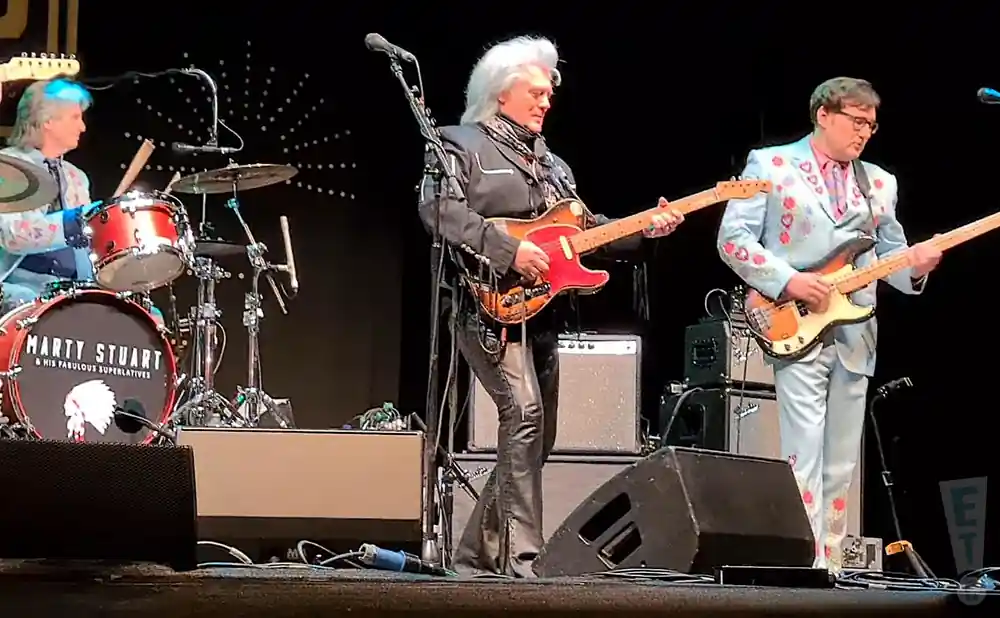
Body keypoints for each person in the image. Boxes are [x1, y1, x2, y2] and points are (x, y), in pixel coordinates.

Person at [418, 35, 683, 577]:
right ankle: (523, 558)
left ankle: (472, 555)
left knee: (540, 432)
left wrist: (646, 231)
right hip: (483, 304)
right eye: (535, 92)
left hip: (543, 312)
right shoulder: (458, 144)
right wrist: (511, 249)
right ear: (501, 93)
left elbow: (586, 231)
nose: (546, 102)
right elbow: (439, 211)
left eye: (549, 94)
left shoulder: (554, 165)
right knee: (525, 414)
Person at [716, 77, 941, 572]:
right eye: (855, 121)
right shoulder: (771, 165)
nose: (864, 133)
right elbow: (732, 240)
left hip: (856, 330)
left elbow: (891, 261)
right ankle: (803, 555)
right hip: (795, 323)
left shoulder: (880, 182)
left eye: (871, 125)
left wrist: (917, 266)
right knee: (803, 451)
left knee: (842, 459)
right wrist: (789, 281)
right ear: (823, 114)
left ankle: (831, 562)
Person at [0, 78, 96, 312]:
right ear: (48, 121)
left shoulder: (77, 178)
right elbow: (13, 236)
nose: (83, 127)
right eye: (75, 117)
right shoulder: (8, 167)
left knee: (147, 316)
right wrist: (74, 222)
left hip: (72, 288)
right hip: (19, 286)